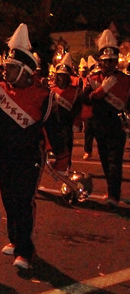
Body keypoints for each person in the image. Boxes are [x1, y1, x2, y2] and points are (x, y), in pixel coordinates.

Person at [0, 24, 66, 270]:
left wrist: (61, 157)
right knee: (9, 199)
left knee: (24, 201)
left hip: (28, 156)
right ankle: (15, 240)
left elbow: (54, 129)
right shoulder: (0, 91)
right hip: (3, 154)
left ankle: (25, 251)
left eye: (10, 69)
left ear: (25, 71)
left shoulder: (43, 96)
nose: (5, 72)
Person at [82, 29, 129, 207]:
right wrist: (102, 90)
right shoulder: (93, 79)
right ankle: (111, 190)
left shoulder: (124, 80)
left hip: (116, 126)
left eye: (111, 61)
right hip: (99, 126)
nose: (107, 65)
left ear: (116, 62)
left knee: (115, 162)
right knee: (104, 160)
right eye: (105, 61)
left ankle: (114, 196)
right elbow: (85, 98)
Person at [50, 53, 82, 164]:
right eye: (59, 75)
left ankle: (67, 166)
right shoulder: (51, 90)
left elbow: (78, 109)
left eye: (64, 75)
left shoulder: (75, 91)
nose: (61, 78)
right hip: (54, 124)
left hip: (67, 124)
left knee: (67, 147)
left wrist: (76, 123)